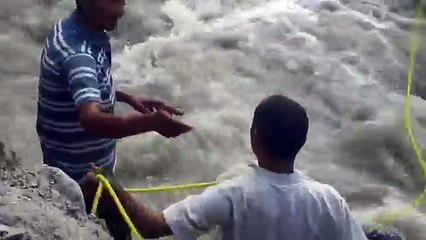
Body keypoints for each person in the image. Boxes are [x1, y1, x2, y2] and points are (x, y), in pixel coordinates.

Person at [79, 94, 369, 240]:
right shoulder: (329, 200)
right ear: (301, 142)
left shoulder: (235, 194)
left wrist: (112, 187)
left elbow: (152, 227)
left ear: (254, 137)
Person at [36, 0, 192, 182]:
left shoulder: (69, 30)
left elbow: (81, 86)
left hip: (67, 164)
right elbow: (91, 120)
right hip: (80, 179)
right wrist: (151, 123)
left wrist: (127, 98)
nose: (120, 10)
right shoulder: (79, 56)